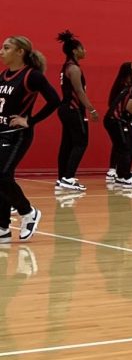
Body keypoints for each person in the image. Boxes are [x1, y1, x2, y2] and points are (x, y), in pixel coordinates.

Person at [0, 35, 61, 242]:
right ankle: (2, 228)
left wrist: (31, 120)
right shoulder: (4, 74)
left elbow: (54, 100)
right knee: (1, 180)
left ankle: (28, 212)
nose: (2, 51)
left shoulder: (31, 76)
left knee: (3, 175)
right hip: (2, 132)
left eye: (6, 48)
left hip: (18, 135)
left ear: (20, 52)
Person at [55, 30, 101, 192]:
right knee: (81, 142)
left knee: (67, 144)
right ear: (75, 50)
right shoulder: (73, 68)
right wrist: (92, 109)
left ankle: (62, 178)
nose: (85, 51)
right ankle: (68, 177)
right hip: (73, 110)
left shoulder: (67, 66)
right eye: (83, 48)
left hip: (66, 109)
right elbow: (80, 92)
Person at [104, 62, 132, 183]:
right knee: (120, 145)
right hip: (118, 118)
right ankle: (113, 170)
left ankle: (124, 170)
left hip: (129, 118)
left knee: (129, 144)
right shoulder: (121, 85)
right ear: (127, 70)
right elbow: (114, 103)